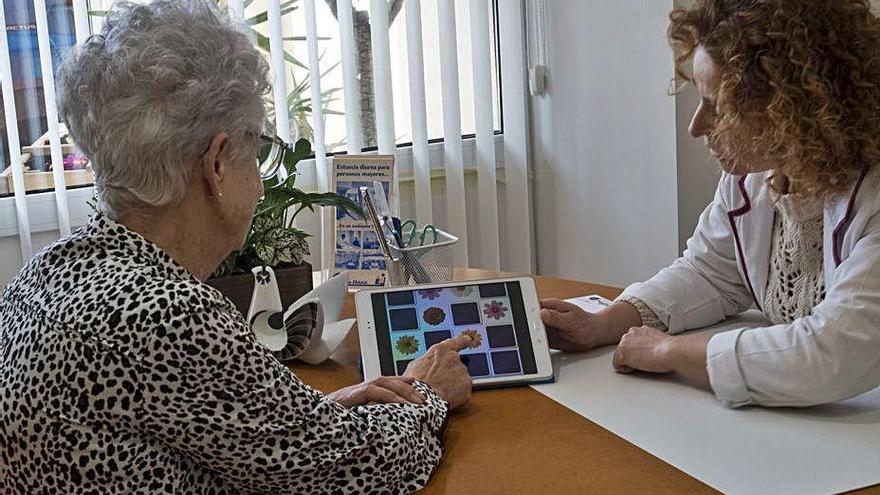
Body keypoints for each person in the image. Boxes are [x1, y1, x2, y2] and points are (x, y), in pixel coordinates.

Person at [0, 1, 472, 493]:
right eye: (258, 151)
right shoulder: (168, 313)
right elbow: (349, 471)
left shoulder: (40, 277)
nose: (263, 186)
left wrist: (310, 419)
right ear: (218, 163)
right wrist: (428, 393)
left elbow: (183, 435)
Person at [540, 0, 880, 408]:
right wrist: (604, 323)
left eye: (719, 108)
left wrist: (669, 352)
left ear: (793, 106)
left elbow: (829, 354)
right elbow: (710, 273)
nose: (696, 125)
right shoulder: (757, 178)